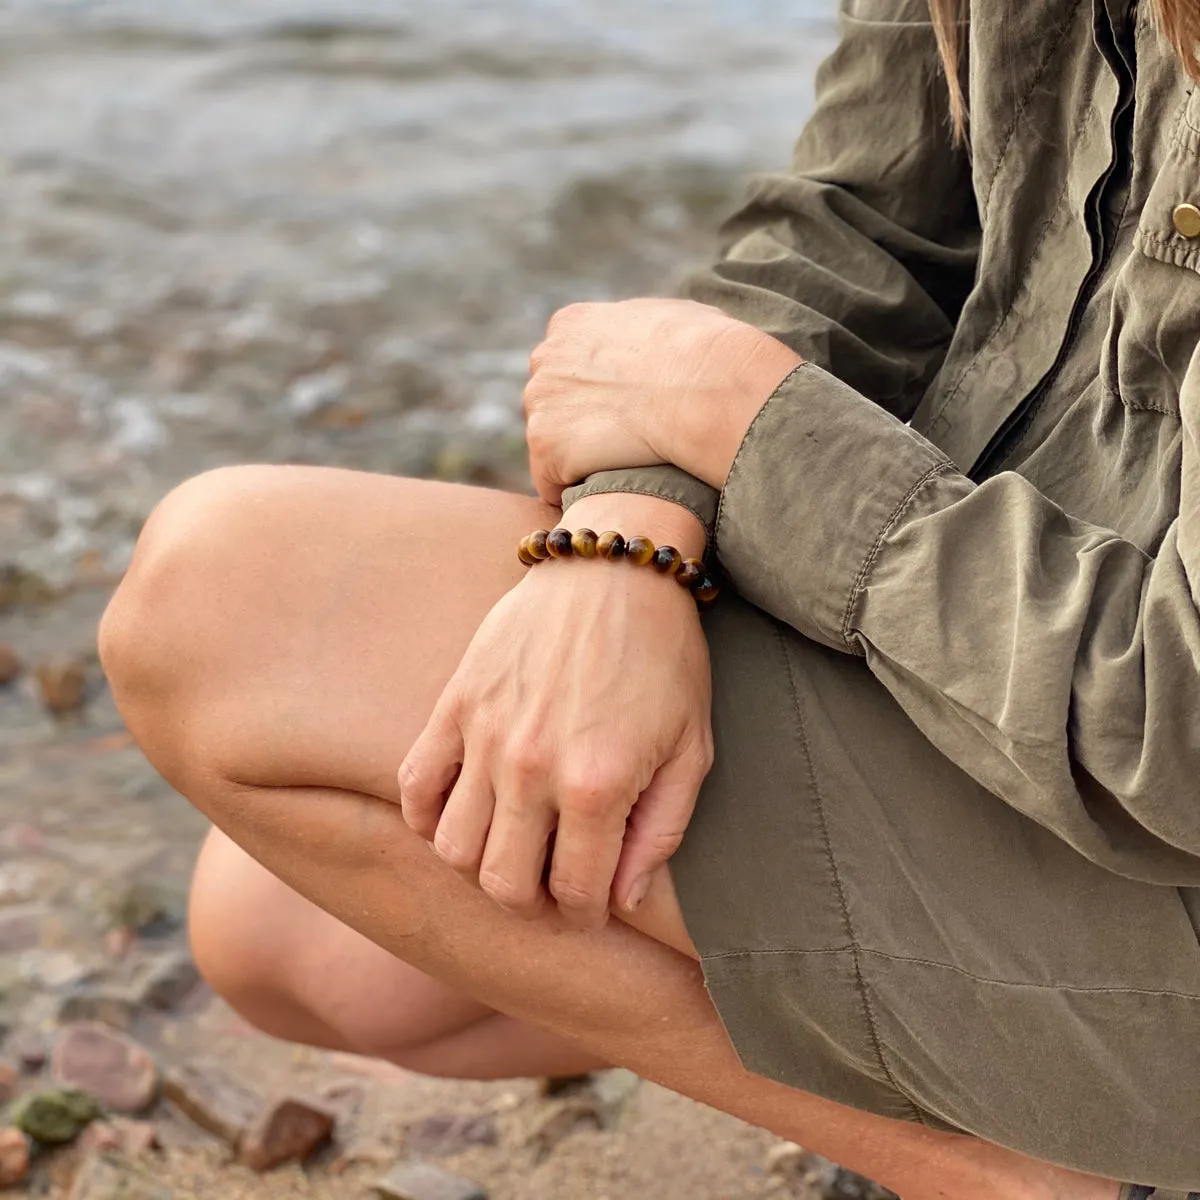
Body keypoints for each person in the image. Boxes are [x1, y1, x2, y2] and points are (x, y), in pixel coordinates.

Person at [97, 0, 1200, 1193]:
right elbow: (865, 224)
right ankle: (1017, 1156)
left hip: (1151, 805)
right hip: (991, 681)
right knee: (287, 931)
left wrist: (743, 416)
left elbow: (1177, 723)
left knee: (222, 594)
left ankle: (1014, 1176)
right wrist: (635, 526)